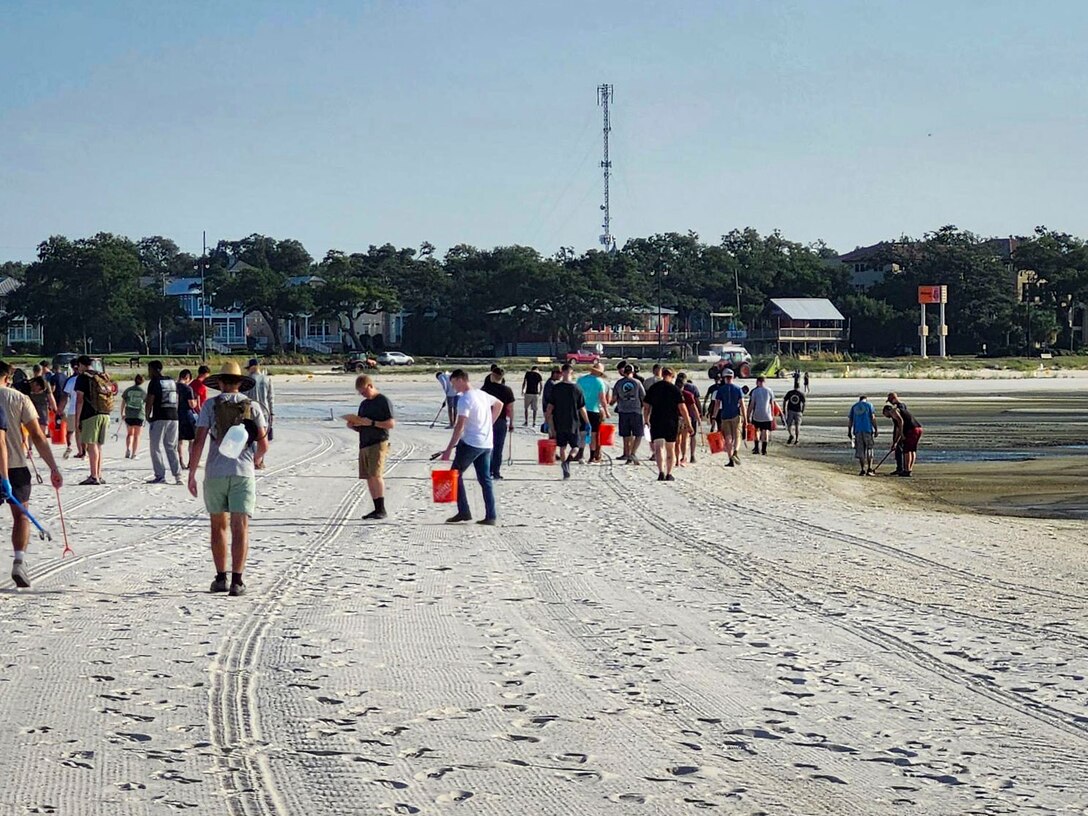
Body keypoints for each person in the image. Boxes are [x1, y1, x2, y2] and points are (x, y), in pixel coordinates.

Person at [188, 361, 269, 596]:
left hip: (215, 472)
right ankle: (237, 581)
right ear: (240, 383)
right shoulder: (253, 407)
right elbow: (263, 444)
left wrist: (192, 473)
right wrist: (256, 459)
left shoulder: (210, 406)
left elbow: (200, 441)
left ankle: (220, 577)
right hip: (242, 471)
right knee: (240, 525)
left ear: (221, 383)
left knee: (218, 526)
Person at [0, 362, 64, 589]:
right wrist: (53, 468)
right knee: (21, 517)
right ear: (8, 378)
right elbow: (37, 436)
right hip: (16, 466)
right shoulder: (19, 398)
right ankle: (19, 560)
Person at [441, 370, 501, 524]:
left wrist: (448, 449)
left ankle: (464, 511)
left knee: (454, 475)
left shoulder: (465, 399)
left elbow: (459, 425)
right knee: (485, 479)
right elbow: (499, 404)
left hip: (471, 443)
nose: (452, 387)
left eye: (453, 383)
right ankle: (491, 516)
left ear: (461, 380)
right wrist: (488, 424)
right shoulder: (481, 394)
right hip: (486, 443)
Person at [345, 374, 395, 520]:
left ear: (370, 386)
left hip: (378, 442)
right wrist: (353, 425)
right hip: (364, 442)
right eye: (361, 393)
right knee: (369, 476)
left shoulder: (383, 401)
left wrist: (372, 423)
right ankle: (376, 508)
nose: (363, 395)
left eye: (364, 392)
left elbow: (391, 424)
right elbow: (362, 425)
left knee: (376, 474)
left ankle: (381, 509)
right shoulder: (364, 404)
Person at [643, 368, 692, 481]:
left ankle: (661, 472)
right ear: (672, 376)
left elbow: (646, 406)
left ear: (662, 374)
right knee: (670, 448)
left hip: (656, 420)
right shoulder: (675, 389)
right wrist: (688, 424)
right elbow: (683, 408)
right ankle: (669, 473)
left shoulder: (654, 388)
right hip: (671, 421)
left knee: (659, 447)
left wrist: (646, 420)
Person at [545, 364, 589, 480]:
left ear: (562, 372)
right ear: (571, 373)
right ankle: (568, 462)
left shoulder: (556, 388)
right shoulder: (577, 388)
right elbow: (582, 408)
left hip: (559, 421)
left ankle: (565, 469)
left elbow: (550, 407)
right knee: (576, 447)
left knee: (562, 447)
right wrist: (587, 422)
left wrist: (546, 421)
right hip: (573, 422)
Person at [73, 355, 113, 484]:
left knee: (91, 445)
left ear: (82, 365)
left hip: (91, 414)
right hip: (105, 413)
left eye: (78, 366)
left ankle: (93, 476)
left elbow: (80, 400)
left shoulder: (83, 378)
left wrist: (77, 419)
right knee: (98, 446)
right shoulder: (101, 376)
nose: (77, 368)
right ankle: (99, 474)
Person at [145, 360, 181, 485]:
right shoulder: (171, 381)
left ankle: (160, 475)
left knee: (155, 447)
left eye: (149, 369)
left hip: (160, 416)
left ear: (154, 370)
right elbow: (177, 398)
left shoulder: (154, 382)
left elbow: (150, 400)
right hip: (174, 416)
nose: (148, 372)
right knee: (171, 446)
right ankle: (178, 475)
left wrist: (147, 415)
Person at [481, 367, 515, 479]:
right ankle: (496, 472)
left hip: (487, 421)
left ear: (492, 375)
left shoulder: (484, 389)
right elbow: (510, 409)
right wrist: (511, 423)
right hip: (501, 421)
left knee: (487, 447)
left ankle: (487, 470)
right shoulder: (507, 390)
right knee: (498, 448)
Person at [612, 364, 647, 465]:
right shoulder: (637, 382)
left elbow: (613, 399)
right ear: (633, 372)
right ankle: (633, 453)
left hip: (623, 411)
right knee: (638, 434)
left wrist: (610, 403)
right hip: (636, 411)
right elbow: (643, 398)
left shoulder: (619, 383)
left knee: (626, 435)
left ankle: (627, 454)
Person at [575, 363, 610, 463]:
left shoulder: (581, 380)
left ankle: (581, 455)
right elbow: (602, 399)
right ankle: (591, 457)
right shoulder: (599, 382)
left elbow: (576, 395)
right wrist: (606, 411)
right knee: (593, 434)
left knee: (582, 433)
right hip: (594, 410)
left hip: (581, 409)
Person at [712, 369, 746, 466]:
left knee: (728, 438)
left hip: (725, 416)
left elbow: (717, 404)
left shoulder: (721, 390)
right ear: (733, 377)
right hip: (736, 415)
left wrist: (714, 416)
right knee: (737, 435)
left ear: (724, 378)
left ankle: (731, 459)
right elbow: (742, 404)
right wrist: (746, 418)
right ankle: (736, 452)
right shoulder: (738, 389)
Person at [887, 393, 923, 476]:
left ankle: (907, 470)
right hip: (918, 427)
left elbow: (900, 422)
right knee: (912, 450)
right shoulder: (902, 406)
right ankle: (909, 469)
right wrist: (895, 441)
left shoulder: (894, 410)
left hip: (911, 429)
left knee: (907, 450)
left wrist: (902, 434)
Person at [244, 358, 274, 446]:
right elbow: (271, 398)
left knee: (251, 437)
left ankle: (253, 457)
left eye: (248, 368)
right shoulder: (267, 379)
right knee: (263, 438)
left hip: (251, 412)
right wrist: (272, 414)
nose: (248, 371)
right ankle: (260, 459)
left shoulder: (248, 380)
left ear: (252, 367)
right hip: (265, 411)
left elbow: (243, 398)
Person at [847, 395, 878, 476]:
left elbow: (850, 420)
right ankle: (869, 468)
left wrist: (849, 431)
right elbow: (873, 418)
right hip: (867, 430)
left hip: (857, 431)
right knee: (869, 449)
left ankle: (862, 469)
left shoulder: (854, 407)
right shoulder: (869, 405)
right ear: (866, 400)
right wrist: (876, 429)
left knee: (860, 450)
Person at [675, 372, 701, 465]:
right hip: (686, 418)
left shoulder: (673, 393)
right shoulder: (688, 394)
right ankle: (684, 457)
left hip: (675, 418)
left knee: (677, 440)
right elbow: (694, 407)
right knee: (684, 440)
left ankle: (677, 459)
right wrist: (698, 418)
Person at [746, 375, 776, 456]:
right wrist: (773, 416)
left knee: (756, 430)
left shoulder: (755, 391)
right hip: (767, 415)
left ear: (757, 382)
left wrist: (748, 414)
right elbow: (772, 404)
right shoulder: (769, 390)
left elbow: (752, 404)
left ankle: (756, 448)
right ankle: (764, 450)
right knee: (765, 431)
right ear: (764, 382)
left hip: (757, 414)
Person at [121, 374, 147, 459]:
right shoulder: (143, 392)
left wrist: (122, 413)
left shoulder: (128, 390)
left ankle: (128, 449)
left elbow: (123, 402)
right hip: (139, 415)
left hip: (129, 414)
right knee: (137, 435)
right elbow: (146, 404)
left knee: (129, 434)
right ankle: (134, 453)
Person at [177, 369, 199, 468]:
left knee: (179, 441)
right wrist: (196, 402)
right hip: (187, 414)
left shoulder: (174, 387)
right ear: (187, 378)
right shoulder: (188, 388)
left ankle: (181, 461)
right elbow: (192, 404)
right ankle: (190, 461)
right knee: (191, 440)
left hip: (176, 415)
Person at [882, 403, 906, 476]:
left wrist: (896, 441)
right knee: (899, 451)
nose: (886, 416)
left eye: (885, 413)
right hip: (901, 434)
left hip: (902, 434)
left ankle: (901, 469)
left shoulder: (895, 414)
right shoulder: (894, 416)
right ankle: (900, 468)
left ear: (887, 411)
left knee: (899, 450)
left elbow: (898, 428)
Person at [782, 378, 806, 445]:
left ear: (794, 386)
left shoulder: (790, 393)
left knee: (788, 425)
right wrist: (802, 411)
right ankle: (797, 439)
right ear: (799, 387)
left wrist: (784, 409)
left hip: (790, 410)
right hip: (798, 411)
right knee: (797, 426)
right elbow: (804, 403)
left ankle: (791, 434)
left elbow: (784, 400)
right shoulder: (801, 394)